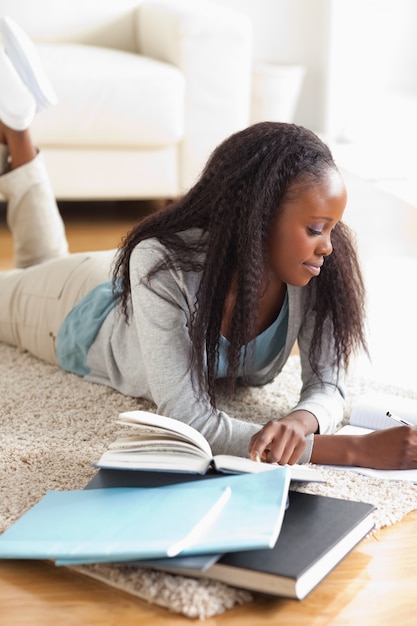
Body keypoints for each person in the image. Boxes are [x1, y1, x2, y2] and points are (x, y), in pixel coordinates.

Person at [1, 17, 417, 471]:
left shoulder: (312, 266)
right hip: (77, 308)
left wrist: (302, 421)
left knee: (43, 259)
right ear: (260, 219)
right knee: (34, 274)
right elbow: (189, 419)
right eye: (316, 228)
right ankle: (19, 129)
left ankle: (18, 133)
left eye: (332, 228)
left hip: (131, 287)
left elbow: (329, 383)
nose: (329, 246)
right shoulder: (161, 263)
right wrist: (352, 450)